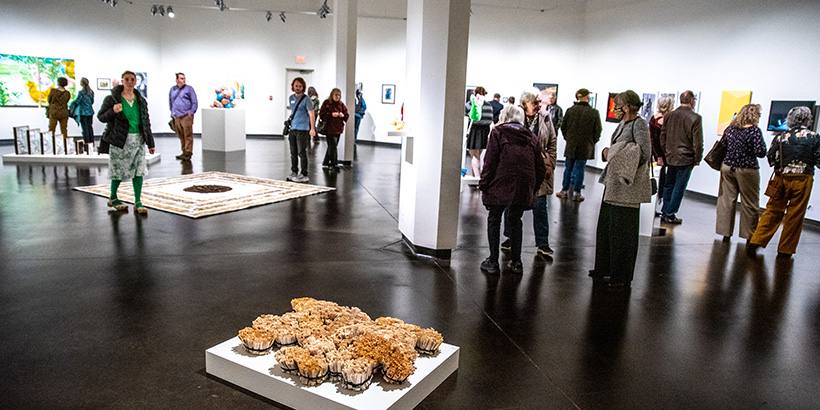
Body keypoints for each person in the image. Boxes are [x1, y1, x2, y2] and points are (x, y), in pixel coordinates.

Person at [590, 90, 652, 288]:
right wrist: (610, 153)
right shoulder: (623, 124)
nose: (615, 109)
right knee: (608, 228)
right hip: (614, 184)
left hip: (627, 187)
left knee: (623, 232)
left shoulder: (639, 124)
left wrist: (613, 152)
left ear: (626, 107)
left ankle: (621, 275)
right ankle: (605, 267)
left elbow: (644, 153)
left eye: (617, 105)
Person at [479, 105, 546, 275]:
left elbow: (490, 161)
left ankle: (493, 262)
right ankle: (516, 262)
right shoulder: (531, 136)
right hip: (523, 185)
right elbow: (540, 166)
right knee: (515, 220)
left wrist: (484, 184)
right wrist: (534, 186)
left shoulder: (498, 133)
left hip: (499, 182)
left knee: (494, 219)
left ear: (504, 116)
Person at [747, 106, 820, 258]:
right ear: (808, 119)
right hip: (803, 179)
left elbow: (771, 158)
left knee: (773, 210)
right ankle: (785, 250)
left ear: (791, 119)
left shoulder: (781, 136)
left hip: (781, 178)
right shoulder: (814, 137)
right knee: (795, 214)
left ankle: (756, 241)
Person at [500, 90, 557, 256]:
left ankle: (542, 242)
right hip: (519, 169)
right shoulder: (515, 118)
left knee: (540, 205)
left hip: (539, 168)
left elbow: (552, 142)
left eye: (539, 102)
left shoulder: (545, 118)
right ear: (524, 104)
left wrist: (550, 162)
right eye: (535, 103)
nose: (539, 106)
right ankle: (510, 237)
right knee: (512, 204)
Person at [97, 71, 155, 214]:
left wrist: (150, 142)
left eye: (132, 79)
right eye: (127, 79)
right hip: (120, 139)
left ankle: (138, 201)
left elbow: (146, 121)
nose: (130, 82)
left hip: (138, 139)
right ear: (122, 81)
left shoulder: (140, 100)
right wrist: (113, 110)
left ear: (135, 82)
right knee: (118, 170)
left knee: (138, 170)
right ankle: (113, 197)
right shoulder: (112, 99)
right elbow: (101, 117)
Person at [715, 104, 767, 241]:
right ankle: (749, 235)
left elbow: (723, 146)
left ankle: (725, 233)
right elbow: (761, 152)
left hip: (727, 167)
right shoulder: (754, 131)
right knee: (749, 203)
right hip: (747, 169)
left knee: (726, 201)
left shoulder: (730, 129)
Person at [659, 90, 703, 224]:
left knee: (669, 184)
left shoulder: (669, 116)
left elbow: (663, 137)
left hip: (671, 156)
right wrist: (697, 158)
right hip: (686, 158)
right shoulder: (695, 118)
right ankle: (670, 213)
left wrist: (666, 152)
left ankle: (665, 211)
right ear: (691, 101)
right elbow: (697, 142)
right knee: (679, 186)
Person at [558, 88, 602, 202]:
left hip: (571, 145)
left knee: (568, 168)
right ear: (587, 97)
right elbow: (598, 131)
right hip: (585, 147)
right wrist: (591, 142)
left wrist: (568, 139)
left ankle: (564, 191)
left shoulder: (570, 111)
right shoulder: (593, 113)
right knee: (580, 169)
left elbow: (563, 127)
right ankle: (577, 193)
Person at [286, 77, 316, 183]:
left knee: (302, 152)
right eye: (296, 86)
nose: (298, 88)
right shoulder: (291, 98)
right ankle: (294, 171)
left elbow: (311, 114)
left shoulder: (306, 99)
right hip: (293, 128)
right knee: (293, 152)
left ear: (303, 87)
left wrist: (312, 128)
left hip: (303, 129)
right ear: (293, 86)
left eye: (300, 86)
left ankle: (304, 174)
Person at [649, 95, 675, 211]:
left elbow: (653, 140)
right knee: (664, 182)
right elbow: (655, 140)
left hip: (658, 154)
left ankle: (658, 207)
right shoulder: (665, 120)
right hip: (663, 155)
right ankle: (661, 207)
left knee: (661, 181)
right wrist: (659, 156)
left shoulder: (654, 119)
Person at [168, 72, 198, 161]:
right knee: (181, 135)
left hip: (186, 115)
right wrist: (172, 112)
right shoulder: (172, 90)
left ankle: (188, 152)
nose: (183, 80)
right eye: (181, 78)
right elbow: (170, 101)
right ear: (177, 79)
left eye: (184, 78)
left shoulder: (189, 89)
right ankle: (184, 151)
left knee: (188, 134)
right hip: (177, 115)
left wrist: (191, 112)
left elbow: (194, 101)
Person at [319, 88, 349, 171]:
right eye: (336, 95)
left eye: (339, 95)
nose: (337, 97)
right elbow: (322, 114)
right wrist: (331, 114)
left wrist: (342, 115)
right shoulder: (327, 103)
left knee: (332, 146)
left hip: (338, 128)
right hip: (329, 128)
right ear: (332, 95)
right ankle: (333, 164)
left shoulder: (341, 105)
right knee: (333, 146)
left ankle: (325, 163)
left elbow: (346, 114)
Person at [466, 86, 494, 178]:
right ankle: (479, 176)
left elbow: (466, 115)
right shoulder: (488, 105)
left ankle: (477, 177)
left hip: (474, 131)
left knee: (474, 155)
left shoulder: (471, 104)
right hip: (484, 131)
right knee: (479, 154)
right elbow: (490, 118)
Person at [70, 77, 95, 153]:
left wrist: (72, 105)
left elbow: (78, 101)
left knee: (85, 128)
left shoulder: (81, 93)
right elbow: (92, 102)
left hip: (83, 112)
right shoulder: (91, 92)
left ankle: (87, 143)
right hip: (90, 112)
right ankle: (91, 142)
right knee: (90, 127)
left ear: (82, 83)